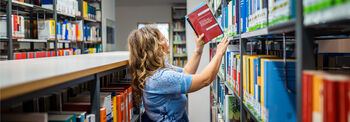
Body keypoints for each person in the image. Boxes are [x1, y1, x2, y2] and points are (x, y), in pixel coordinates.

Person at [128, 25, 229, 122]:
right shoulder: (160, 78)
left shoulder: (156, 71)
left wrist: (199, 48)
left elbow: (186, 72)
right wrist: (219, 53)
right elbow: (205, 80)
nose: (167, 40)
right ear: (155, 48)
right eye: (163, 39)